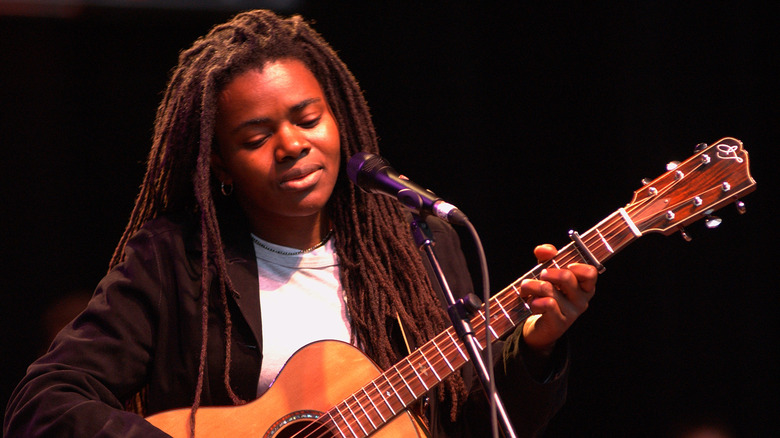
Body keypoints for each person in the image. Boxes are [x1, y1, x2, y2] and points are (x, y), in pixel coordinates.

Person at [4, 9, 597, 437]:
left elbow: (474, 425)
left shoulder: (419, 243)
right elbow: (43, 403)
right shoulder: (177, 261)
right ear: (220, 166)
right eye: (257, 137)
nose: (291, 145)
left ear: (338, 119)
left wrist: (536, 344)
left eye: (307, 118)